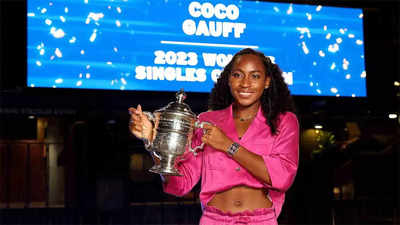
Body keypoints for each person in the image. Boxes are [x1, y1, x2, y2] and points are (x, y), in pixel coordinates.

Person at [129, 48, 299, 225]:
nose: (245, 83)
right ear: (229, 80)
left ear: (267, 82)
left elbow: (282, 178)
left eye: (255, 76)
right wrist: (152, 141)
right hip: (214, 220)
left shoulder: (283, 121)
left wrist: (227, 145)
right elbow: (179, 185)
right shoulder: (207, 121)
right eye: (238, 75)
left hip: (261, 220)